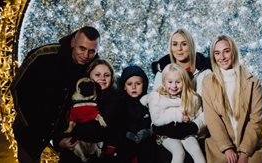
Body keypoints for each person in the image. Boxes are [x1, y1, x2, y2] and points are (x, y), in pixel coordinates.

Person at [10, 26, 100, 163]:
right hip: (29, 130)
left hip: (62, 138)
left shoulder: (93, 68)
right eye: (82, 48)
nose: (86, 55)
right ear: (72, 43)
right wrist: (27, 124)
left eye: (92, 51)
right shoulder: (43, 56)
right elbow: (17, 87)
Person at [202, 35, 262, 163]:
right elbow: (212, 119)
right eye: (217, 53)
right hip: (220, 147)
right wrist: (227, 148)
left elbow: (256, 119)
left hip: (251, 147)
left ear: (234, 52)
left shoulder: (252, 82)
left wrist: (244, 152)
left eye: (226, 51)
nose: (222, 57)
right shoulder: (208, 82)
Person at [151, 28, 211, 162]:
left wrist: (193, 127)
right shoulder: (162, 72)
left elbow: (208, 110)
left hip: (195, 131)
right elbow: (155, 104)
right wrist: (162, 126)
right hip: (167, 131)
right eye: (175, 44)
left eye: (184, 44)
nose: (179, 49)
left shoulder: (204, 73)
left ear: (191, 45)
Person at [59, 59, 127, 163]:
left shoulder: (117, 100)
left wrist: (75, 132)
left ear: (112, 77)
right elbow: (64, 122)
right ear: (89, 76)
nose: (102, 78)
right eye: (97, 75)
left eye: (107, 75)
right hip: (73, 153)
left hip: (101, 154)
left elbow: (97, 130)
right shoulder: (76, 96)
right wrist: (61, 141)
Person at [141, 63, 206, 163]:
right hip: (165, 135)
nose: (174, 86)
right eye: (170, 82)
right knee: (178, 152)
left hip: (186, 132)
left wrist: (189, 119)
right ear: (164, 82)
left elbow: (195, 115)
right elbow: (157, 121)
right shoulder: (157, 98)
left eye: (178, 82)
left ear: (184, 82)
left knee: (196, 151)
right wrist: (178, 116)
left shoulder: (191, 98)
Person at [119, 65, 156, 163]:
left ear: (144, 84)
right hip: (126, 138)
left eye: (138, 83)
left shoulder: (150, 101)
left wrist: (148, 131)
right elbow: (117, 123)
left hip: (146, 138)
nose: (134, 87)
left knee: (148, 149)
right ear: (124, 86)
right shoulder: (120, 102)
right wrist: (126, 133)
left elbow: (155, 121)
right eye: (129, 84)